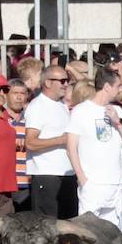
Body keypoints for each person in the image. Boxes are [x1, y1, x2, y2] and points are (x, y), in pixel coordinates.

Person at [66, 69, 122, 235]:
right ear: (106, 87)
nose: (120, 90)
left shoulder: (117, 111)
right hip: (93, 186)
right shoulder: (81, 111)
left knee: (115, 237)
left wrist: (118, 123)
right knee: (87, 236)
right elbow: (71, 149)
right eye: (118, 86)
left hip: (116, 187)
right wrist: (84, 180)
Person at [23, 63, 77, 218]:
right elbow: (31, 142)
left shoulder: (61, 105)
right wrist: (61, 140)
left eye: (67, 80)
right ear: (47, 82)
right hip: (47, 176)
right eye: (62, 81)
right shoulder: (37, 106)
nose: (66, 84)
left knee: (68, 227)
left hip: (66, 175)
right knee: (48, 228)